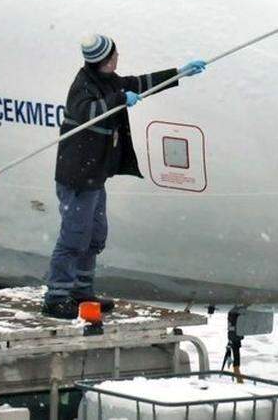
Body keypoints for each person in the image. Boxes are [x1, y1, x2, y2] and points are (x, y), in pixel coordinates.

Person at [42, 34, 206, 319]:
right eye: (115, 54)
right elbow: (87, 111)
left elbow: (139, 83)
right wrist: (119, 99)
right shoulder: (83, 85)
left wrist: (179, 73)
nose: (118, 58)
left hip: (94, 176)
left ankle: (81, 291)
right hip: (77, 178)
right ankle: (56, 296)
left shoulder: (108, 80)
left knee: (94, 236)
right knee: (74, 237)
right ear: (106, 59)